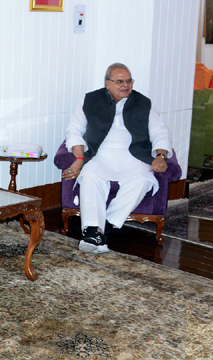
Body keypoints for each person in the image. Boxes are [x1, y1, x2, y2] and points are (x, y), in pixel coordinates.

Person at [62, 63, 172, 254]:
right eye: (119, 81)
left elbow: (160, 132)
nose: (126, 85)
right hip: (100, 154)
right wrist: (80, 158)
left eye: (129, 81)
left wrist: (161, 156)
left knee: (143, 180)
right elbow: (75, 129)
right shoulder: (90, 99)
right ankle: (93, 230)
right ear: (107, 83)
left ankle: (101, 228)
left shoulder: (144, 102)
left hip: (134, 155)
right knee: (89, 177)